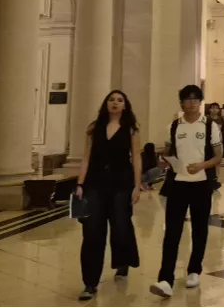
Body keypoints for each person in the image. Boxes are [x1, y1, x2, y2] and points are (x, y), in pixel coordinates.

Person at [150, 85, 223, 298]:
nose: (191, 103)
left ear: (200, 102)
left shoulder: (210, 126)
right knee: (172, 231)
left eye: (195, 99)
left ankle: (194, 270)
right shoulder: (174, 127)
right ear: (181, 103)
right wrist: (164, 160)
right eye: (187, 99)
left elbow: (219, 155)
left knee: (199, 229)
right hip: (178, 184)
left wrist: (202, 165)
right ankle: (165, 278)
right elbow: (167, 151)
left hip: (201, 184)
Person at [75, 90, 141, 301]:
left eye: (120, 100)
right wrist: (80, 184)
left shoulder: (131, 130)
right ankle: (90, 282)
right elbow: (86, 158)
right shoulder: (94, 129)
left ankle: (122, 261)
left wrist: (137, 186)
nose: (115, 103)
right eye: (112, 100)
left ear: (125, 106)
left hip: (121, 183)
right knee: (92, 232)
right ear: (106, 104)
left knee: (121, 226)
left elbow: (137, 159)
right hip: (95, 183)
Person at [207, 103, 224, 191]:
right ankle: (210, 179)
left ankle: (216, 178)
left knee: (218, 161)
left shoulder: (220, 119)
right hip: (209, 144)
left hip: (219, 143)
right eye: (213, 108)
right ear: (210, 109)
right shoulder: (207, 119)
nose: (214, 110)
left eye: (216, 108)